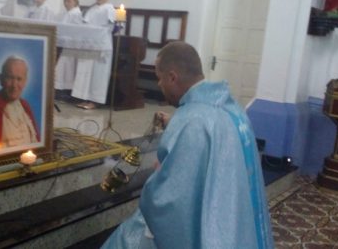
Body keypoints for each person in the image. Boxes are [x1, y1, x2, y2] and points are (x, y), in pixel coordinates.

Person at [102, 41, 274, 248]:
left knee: (126, 239)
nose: (159, 85)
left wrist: (155, 183)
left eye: (159, 79)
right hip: (235, 217)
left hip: (208, 226)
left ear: (172, 77)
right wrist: (174, 124)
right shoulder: (230, 107)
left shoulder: (192, 121)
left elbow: (172, 201)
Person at [0, 56, 39, 152]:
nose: (14, 85)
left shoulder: (25, 106)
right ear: (1, 79)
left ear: (25, 81)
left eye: (19, 79)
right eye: (10, 78)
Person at [71, 0, 115, 109]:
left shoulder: (109, 8)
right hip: (91, 44)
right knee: (88, 72)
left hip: (102, 44)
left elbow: (110, 27)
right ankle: (86, 98)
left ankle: (96, 100)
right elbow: (85, 24)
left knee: (98, 74)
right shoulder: (92, 8)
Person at [55, 0, 84, 91]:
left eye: (69, 1)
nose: (66, 3)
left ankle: (65, 88)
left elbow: (76, 30)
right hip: (62, 43)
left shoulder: (76, 14)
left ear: (75, 1)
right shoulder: (65, 13)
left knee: (65, 67)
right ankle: (60, 88)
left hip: (71, 45)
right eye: (65, 1)